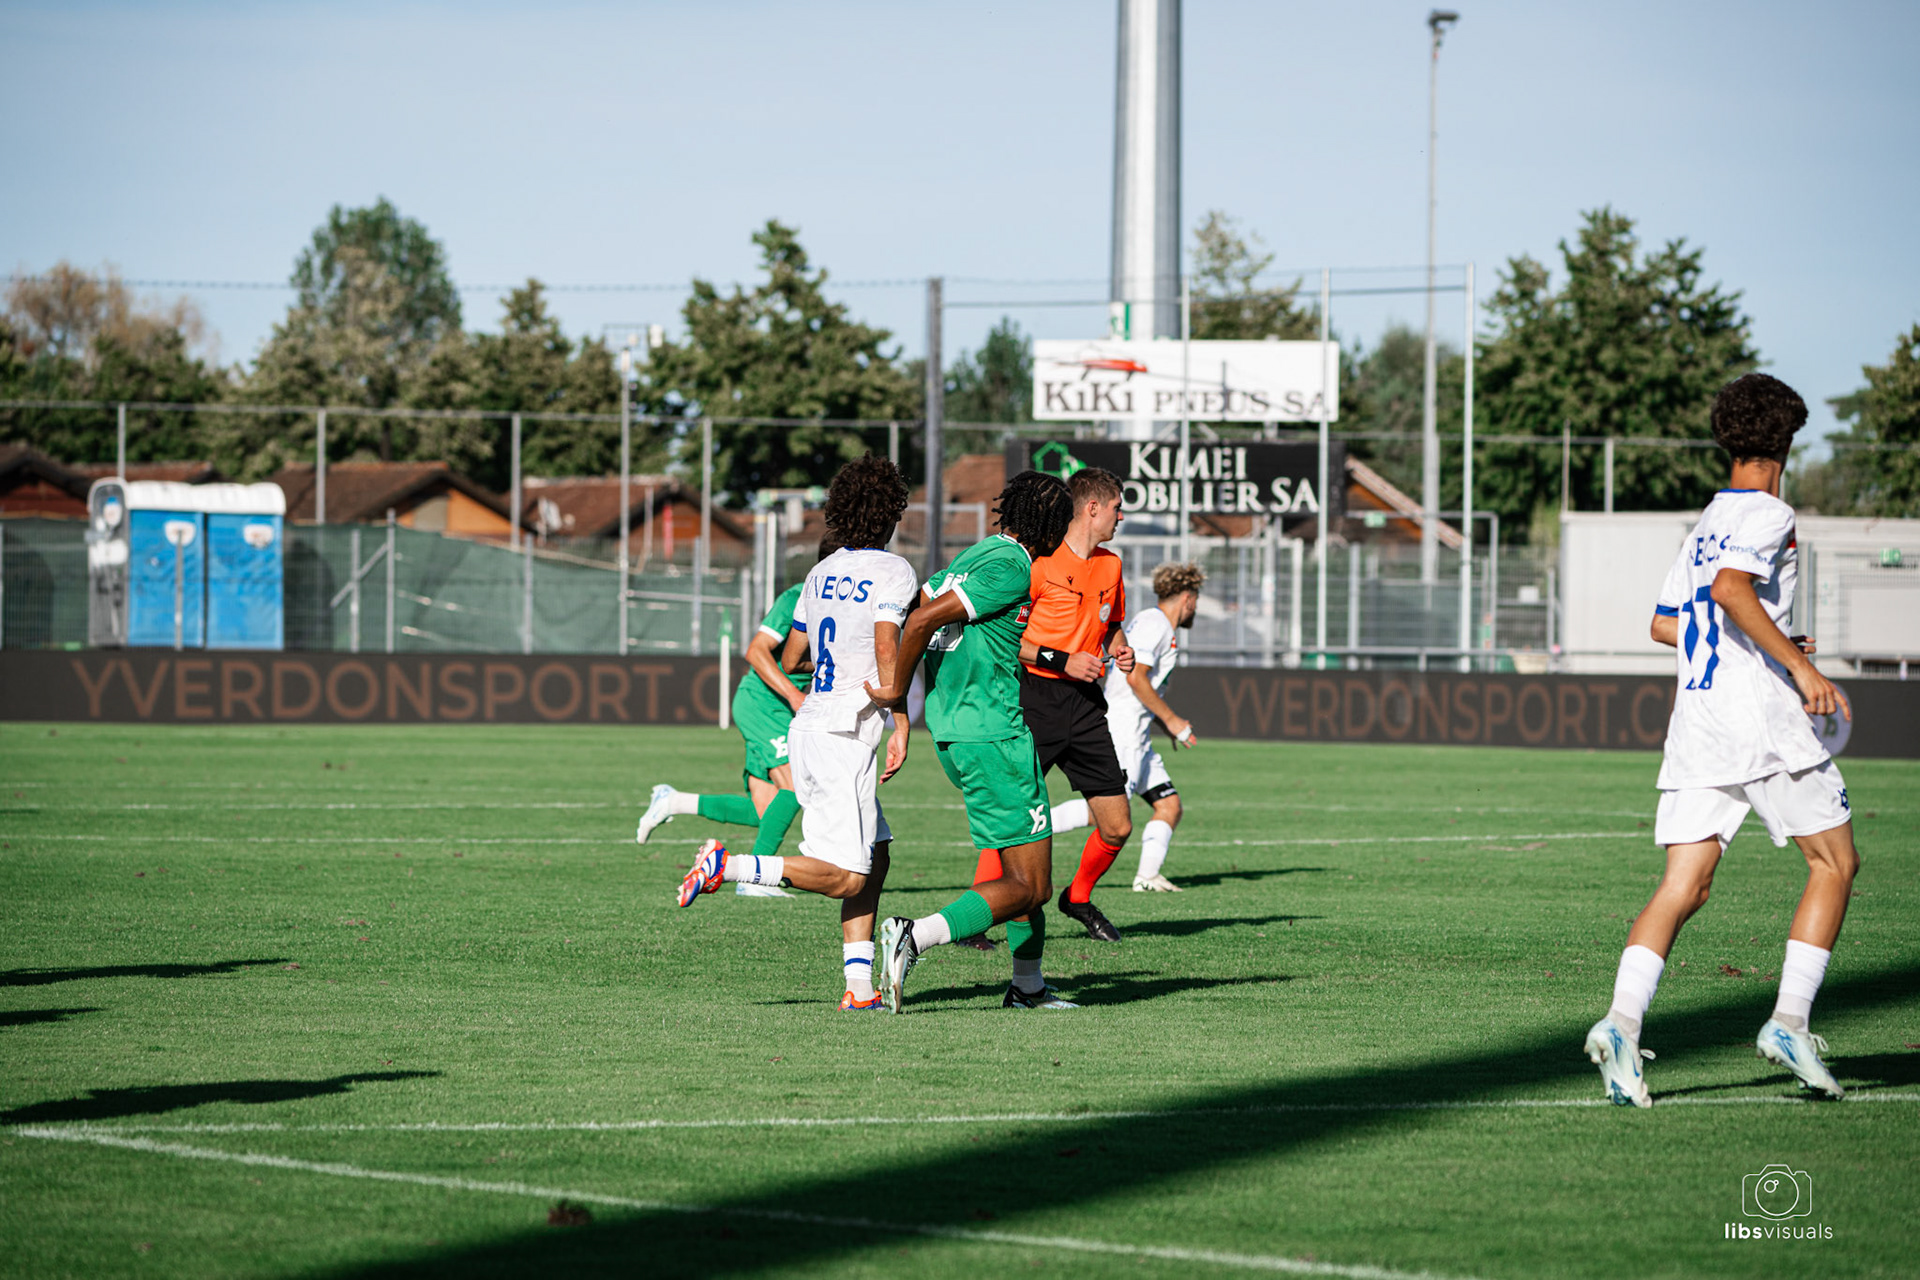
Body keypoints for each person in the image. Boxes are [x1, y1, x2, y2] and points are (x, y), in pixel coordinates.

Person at [1585, 373, 1859, 1108]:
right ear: (1786, 442)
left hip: (1699, 720)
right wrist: (1798, 667)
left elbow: (1667, 624)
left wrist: (1761, 640)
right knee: (1834, 861)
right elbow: (1735, 592)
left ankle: (1620, 1022)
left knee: (1684, 886)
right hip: (1759, 720)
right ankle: (1790, 1023)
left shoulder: (1706, 521)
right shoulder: (1771, 512)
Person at [677, 458, 918, 1012]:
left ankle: (860, 991)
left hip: (809, 725)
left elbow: (793, 656)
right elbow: (887, 650)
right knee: (848, 877)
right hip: (844, 735)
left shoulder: (818, 573)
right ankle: (729, 867)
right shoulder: (894, 571)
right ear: (891, 514)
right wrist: (899, 714)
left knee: (876, 857)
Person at [867, 470, 1077, 1013]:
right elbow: (918, 623)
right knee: (1032, 886)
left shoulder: (980, 553)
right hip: (995, 734)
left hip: (961, 731)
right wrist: (894, 697)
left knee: (1020, 869)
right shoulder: (1011, 565)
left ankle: (1028, 988)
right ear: (1050, 523)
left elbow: (912, 607)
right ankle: (918, 934)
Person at [637, 535, 843, 898]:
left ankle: (674, 801)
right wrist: (795, 694)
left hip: (779, 707)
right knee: (796, 787)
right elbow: (756, 651)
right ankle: (752, 879)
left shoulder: (840, 604)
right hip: (764, 703)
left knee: (766, 813)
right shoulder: (797, 597)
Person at [1007, 467, 1137, 942]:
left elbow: (1111, 624)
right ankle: (981, 910)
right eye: (1118, 507)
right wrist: (1062, 660)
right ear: (1093, 508)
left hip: (1084, 705)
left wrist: (1122, 648)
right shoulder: (1037, 564)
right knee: (1015, 809)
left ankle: (1077, 897)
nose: (1121, 517)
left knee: (1119, 825)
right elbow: (1008, 639)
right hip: (1035, 698)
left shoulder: (1112, 565)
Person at [1050, 561, 1204, 892]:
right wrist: (1173, 720)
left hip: (1138, 734)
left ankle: (1147, 877)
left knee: (1169, 805)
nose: (1195, 609)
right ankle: (1034, 827)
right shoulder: (1155, 623)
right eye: (1196, 601)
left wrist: (1162, 724)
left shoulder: (1157, 624)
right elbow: (1135, 676)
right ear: (1188, 598)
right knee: (1103, 813)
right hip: (1123, 732)